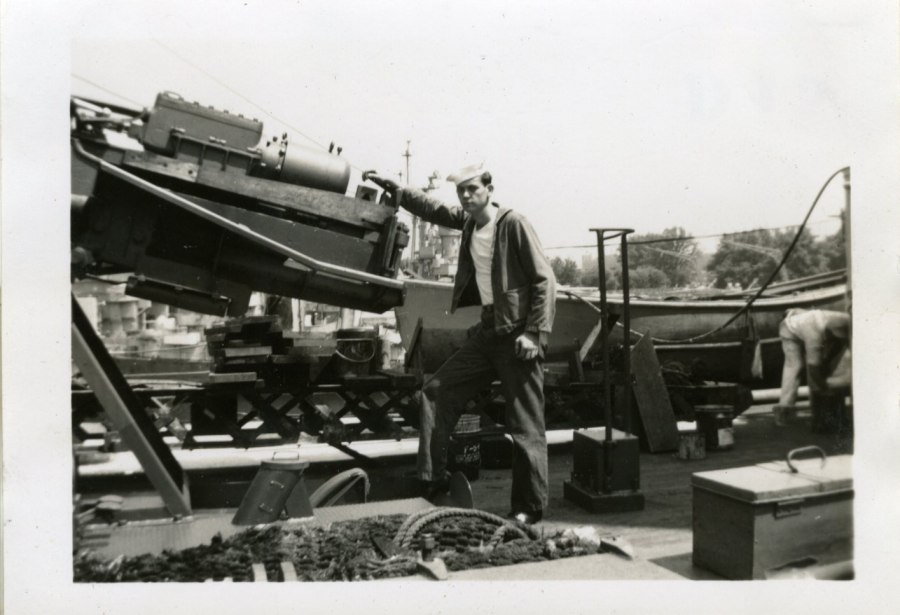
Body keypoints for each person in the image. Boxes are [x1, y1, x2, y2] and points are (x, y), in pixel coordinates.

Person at [364, 164, 556, 524]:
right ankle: (433, 481)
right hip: (488, 331)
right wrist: (399, 191)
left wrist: (535, 333)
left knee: (525, 425)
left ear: (489, 189)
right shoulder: (469, 223)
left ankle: (528, 508)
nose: (466, 196)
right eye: (461, 191)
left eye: (473, 189)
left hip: (518, 334)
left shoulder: (513, 224)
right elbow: (434, 210)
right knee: (436, 391)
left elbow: (545, 280)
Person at [774, 308, 851, 433]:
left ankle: (820, 412)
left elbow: (840, 342)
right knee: (794, 366)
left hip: (807, 319)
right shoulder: (814, 335)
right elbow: (813, 367)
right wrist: (824, 388)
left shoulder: (845, 320)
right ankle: (784, 410)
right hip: (789, 329)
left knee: (825, 362)